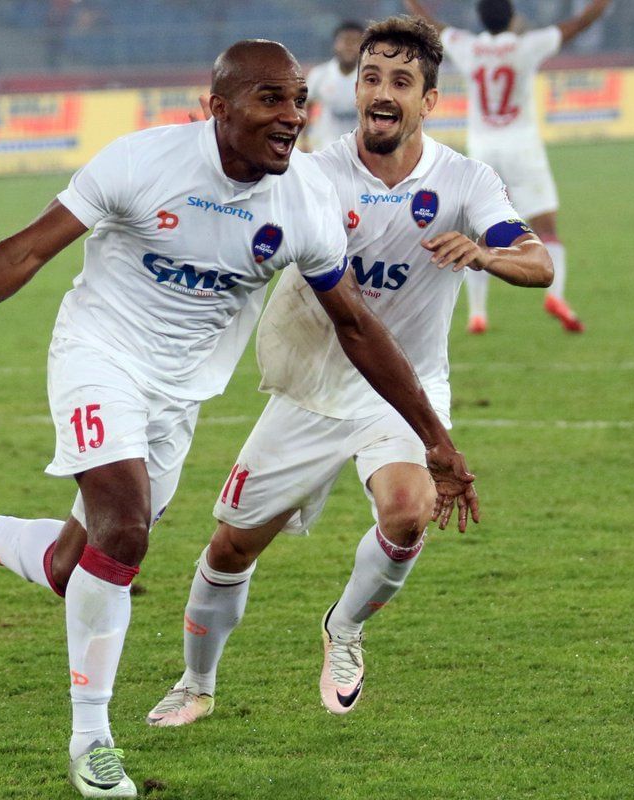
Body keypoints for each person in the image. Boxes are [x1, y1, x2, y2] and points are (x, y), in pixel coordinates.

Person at [0, 39, 479, 799]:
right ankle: (92, 743)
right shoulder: (142, 163)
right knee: (124, 529)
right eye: (270, 101)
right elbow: (27, 252)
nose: (292, 118)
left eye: (297, 101)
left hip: (177, 396)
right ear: (217, 108)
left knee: (75, 567)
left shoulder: (303, 204)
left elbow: (357, 329)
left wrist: (436, 439)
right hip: (99, 355)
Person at [143, 15, 552, 726]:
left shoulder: (465, 179)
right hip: (312, 389)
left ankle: (345, 630)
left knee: (408, 511)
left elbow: (538, 262)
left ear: (430, 100)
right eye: (371, 78)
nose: (382, 93)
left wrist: (486, 255)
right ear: (354, 90)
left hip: (405, 394)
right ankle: (195, 683)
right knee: (231, 545)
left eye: (401, 81)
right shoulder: (312, 176)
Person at [406, 0, 612, 334]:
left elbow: (430, 24)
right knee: (546, 228)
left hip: (483, 147)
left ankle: (478, 314)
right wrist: (599, 6)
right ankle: (555, 296)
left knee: (478, 233)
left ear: (480, 19)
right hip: (522, 146)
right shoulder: (527, 46)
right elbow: (577, 25)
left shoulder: (467, 46)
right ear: (513, 18)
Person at [303, 20, 363, 152]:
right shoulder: (319, 75)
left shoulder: (370, 77)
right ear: (335, 44)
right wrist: (303, 139)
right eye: (345, 41)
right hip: (324, 149)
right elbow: (305, 107)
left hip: (360, 150)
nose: (349, 46)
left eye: (355, 41)